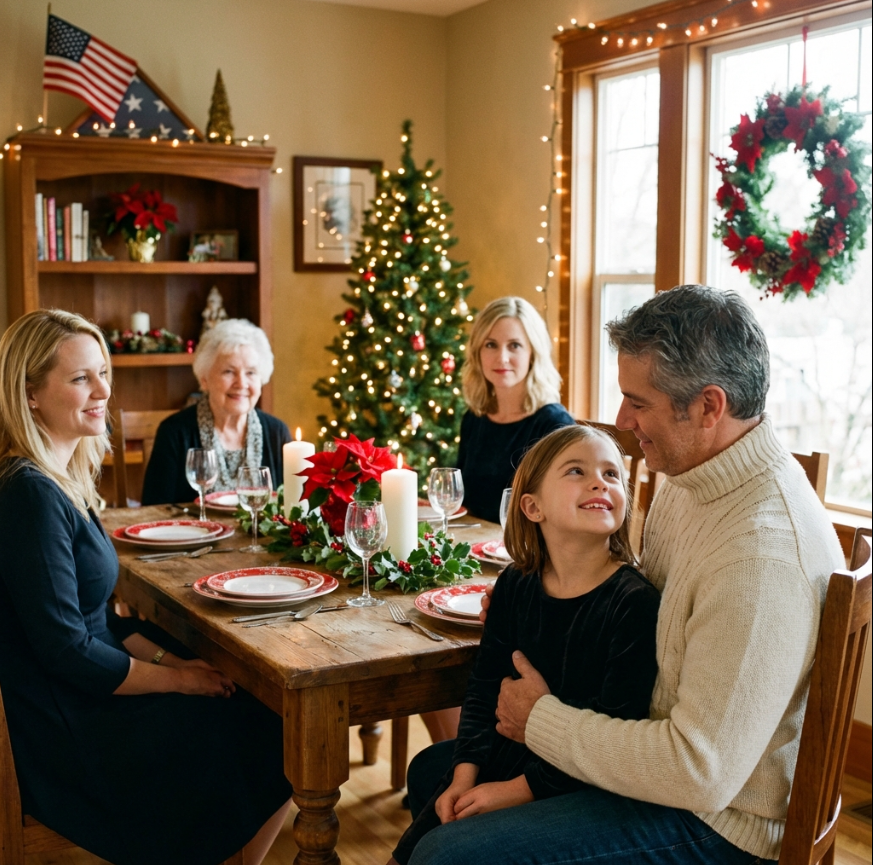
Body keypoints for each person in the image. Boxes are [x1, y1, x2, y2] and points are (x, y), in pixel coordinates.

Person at [405, 285, 845, 865]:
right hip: (646, 751)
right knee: (431, 773)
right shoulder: (695, 476)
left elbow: (698, 772)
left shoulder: (761, 557)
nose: (621, 420)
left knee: (448, 855)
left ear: (708, 407)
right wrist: (540, 603)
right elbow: (642, 599)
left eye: (638, 402)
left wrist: (541, 719)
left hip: (719, 823)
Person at [0, 309, 293, 865]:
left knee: (256, 703)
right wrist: (177, 680)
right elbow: (68, 651)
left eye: (103, 373)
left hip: (84, 685)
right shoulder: (28, 494)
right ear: (30, 394)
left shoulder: (60, 479)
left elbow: (102, 623)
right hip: (66, 725)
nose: (103, 391)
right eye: (81, 377)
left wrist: (174, 662)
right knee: (267, 727)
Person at [391, 424, 659, 865]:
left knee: (438, 852)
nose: (600, 482)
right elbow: (483, 688)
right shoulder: (515, 584)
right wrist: (464, 775)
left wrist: (512, 792)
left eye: (611, 474)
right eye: (576, 471)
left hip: (578, 779)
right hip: (507, 752)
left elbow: (613, 730)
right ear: (532, 507)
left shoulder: (635, 604)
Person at [142, 317, 290, 505]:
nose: (241, 383)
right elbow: (154, 509)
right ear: (204, 379)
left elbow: (290, 506)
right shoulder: (174, 433)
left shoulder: (277, 433)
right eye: (229, 371)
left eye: (251, 372)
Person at [457, 296, 575, 525]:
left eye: (515, 345)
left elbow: (563, 514)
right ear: (477, 353)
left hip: (527, 546)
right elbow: (463, 500)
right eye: (491, 345)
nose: (502, 358)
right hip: (474, 542)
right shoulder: (473, 419)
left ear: (533, 354)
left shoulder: (555, 425)